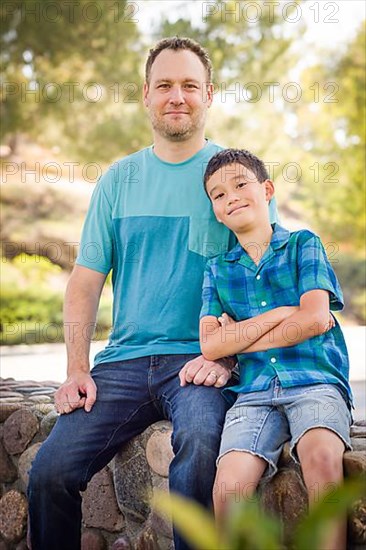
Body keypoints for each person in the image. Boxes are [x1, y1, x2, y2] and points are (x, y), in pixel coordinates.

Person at [28, 39, 278, 550]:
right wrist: (77, 369)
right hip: (122, 365)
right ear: (146, 95)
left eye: (189, 85)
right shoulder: (118, 180)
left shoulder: (231, 179)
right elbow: (85, 281)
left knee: (203, 444)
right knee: (50, 471)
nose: (177, 96)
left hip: (200, 364)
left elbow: (269, 277)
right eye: (164, 85)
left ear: (209, 94)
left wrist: (230, 355)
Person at [200, 148, 353, 550]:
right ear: (216, 212)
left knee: (322, 459)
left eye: (239, 184)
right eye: (218, 195)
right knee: (229, 486)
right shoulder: (217, 270)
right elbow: (210, 344)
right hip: (252, 396)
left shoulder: (304, 244)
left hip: (314, 381)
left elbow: (317, 319)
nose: (230, 196)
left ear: (266, 190)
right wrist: (285, 314)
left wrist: (242, 336)